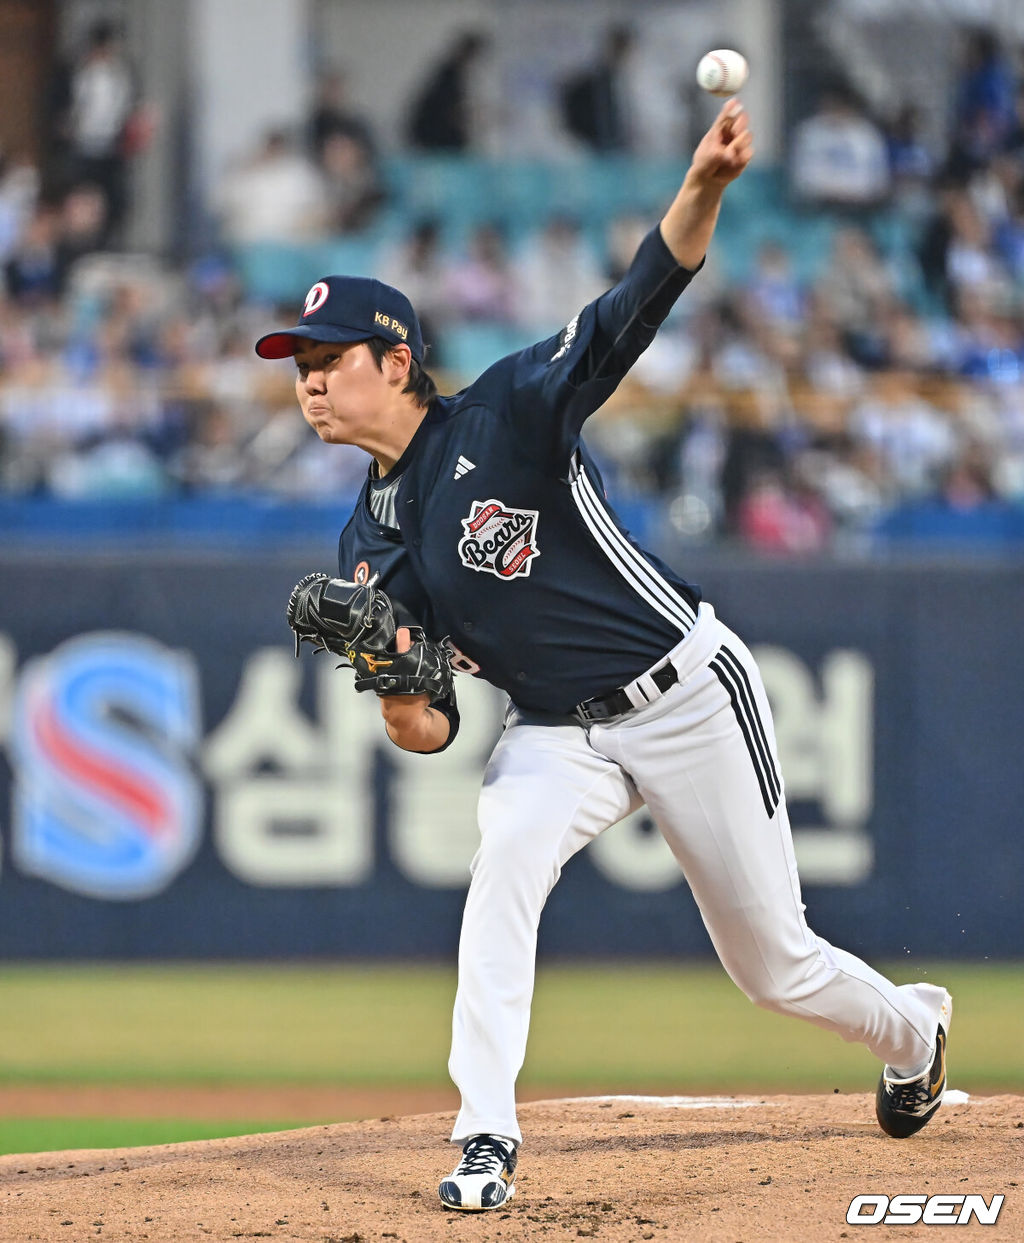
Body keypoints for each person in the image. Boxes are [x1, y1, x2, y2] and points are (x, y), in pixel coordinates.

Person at [254, 100, 952, 1213]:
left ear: (396, 361)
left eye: (327, 359)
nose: (308, 381)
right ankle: (485, 1131)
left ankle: (913, 1031)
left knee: (771, 966)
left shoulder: (507, 413)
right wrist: (391, 664)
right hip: (556, 728)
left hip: (683, 690)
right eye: (298, 364)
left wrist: (706, 185)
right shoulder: (367, 539)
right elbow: (425, 727)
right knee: (502, 870)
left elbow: (632, 305)